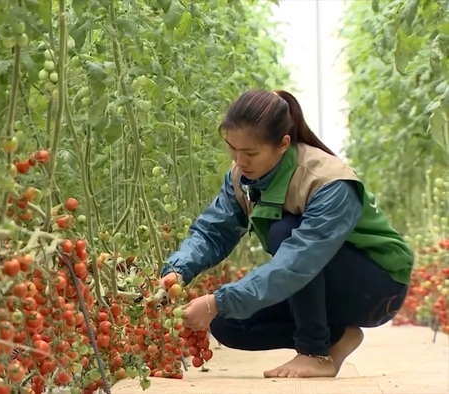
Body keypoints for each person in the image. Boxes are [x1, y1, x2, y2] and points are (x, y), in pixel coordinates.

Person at [159, 89, 413, 379]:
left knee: (284, 232)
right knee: (226, 323)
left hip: (377, 287)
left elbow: (299, 259)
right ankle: (339, 336)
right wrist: (177, 271)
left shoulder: (328, 182)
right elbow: (213, 232)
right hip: (315, 275)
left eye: (250, 153)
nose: (240, 161)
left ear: (283, 144)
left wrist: (218, 300)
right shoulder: (243, 179)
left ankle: (315, 353)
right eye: (232, 149)